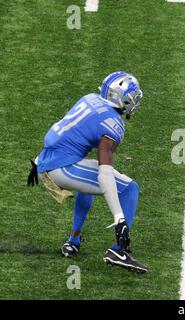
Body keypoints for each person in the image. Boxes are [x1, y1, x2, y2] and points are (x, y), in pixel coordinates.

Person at [28, 71, 147, 272]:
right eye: (131, 97)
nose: (134, 102)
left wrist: (40, 159)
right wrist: (119, 218)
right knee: (129, 189)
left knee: (88, 176)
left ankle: (73, 239)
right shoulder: (113, 123)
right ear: (120, 98)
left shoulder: (90, 98)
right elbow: (105, 171)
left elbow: (63, 128)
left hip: (46, 158)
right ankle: (118, 250)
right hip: (61, 167)